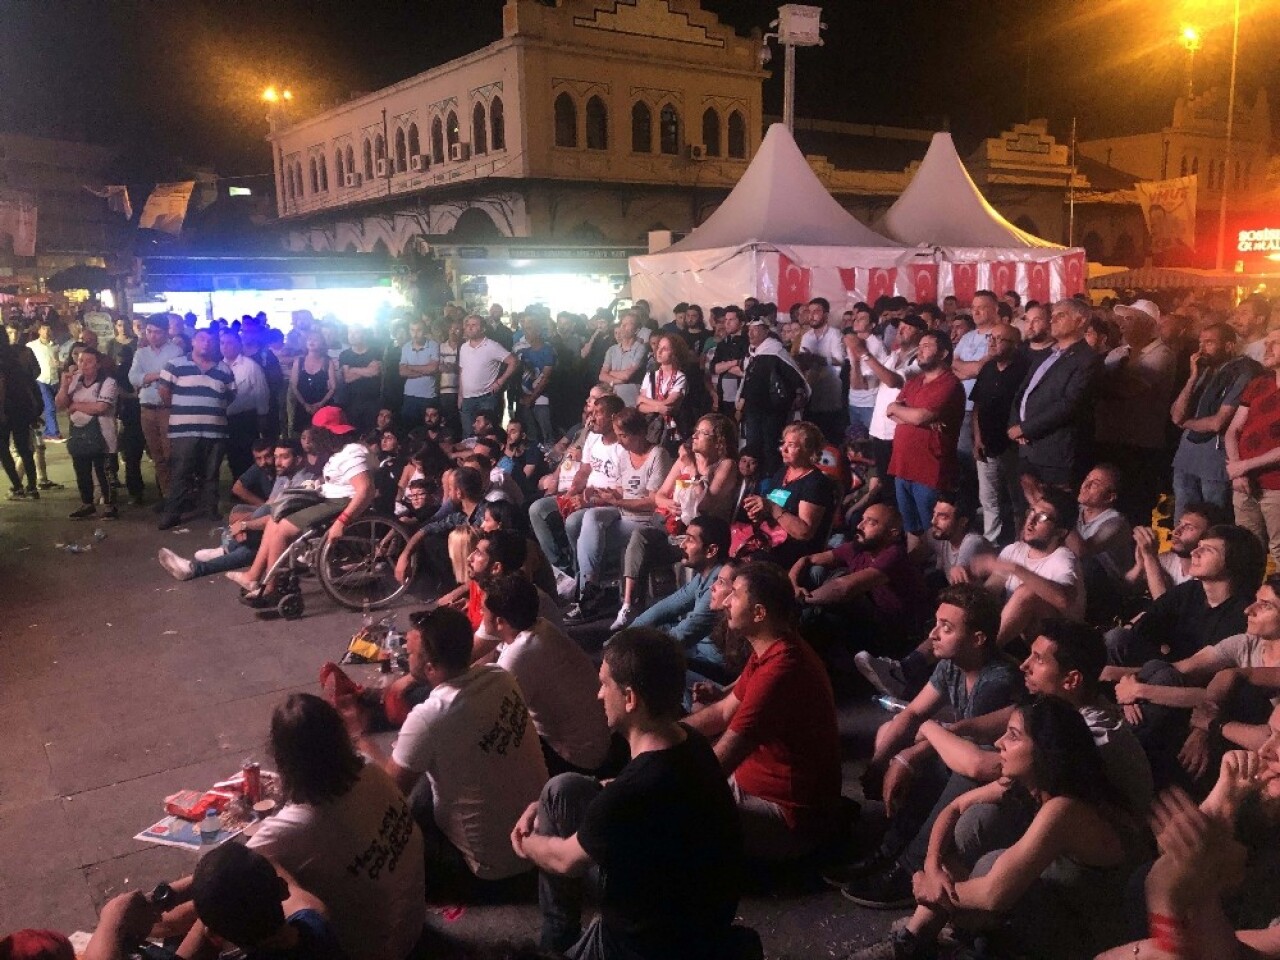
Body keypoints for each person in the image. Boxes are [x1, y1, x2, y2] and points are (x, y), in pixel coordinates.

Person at [510, 626, 746, 959]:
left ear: (631, 698)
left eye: (605, 684)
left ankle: (562, 947)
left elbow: (564, 861)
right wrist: (541, 806)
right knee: (560, 792)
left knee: (556, 842)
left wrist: (527, 842)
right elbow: (634, 792)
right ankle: (559, 943)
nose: (599, 694)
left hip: (647, 944)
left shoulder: (628, 796)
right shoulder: (689, 743)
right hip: (693, 909)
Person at [853, 698, 1139, 960]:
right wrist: (932, 866)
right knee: (974, 827)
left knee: (990, 869)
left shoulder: (1065, 808)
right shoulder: (1031, 782)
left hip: (1088, 938)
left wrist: (931, 891)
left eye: (1013, 736)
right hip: (1056, 902)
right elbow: (953, 809)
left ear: (1046, 750)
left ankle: (956, 944)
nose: (1000, 742)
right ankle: (912, 940)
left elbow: (993, 895)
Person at [832, 584, 1022, 908]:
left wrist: (906, 758)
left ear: (978, 639)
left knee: (939, 769)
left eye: (946, 627)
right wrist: (879, 763)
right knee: (901, 740)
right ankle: (888, 851)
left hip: (999, 775)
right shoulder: (951, 665)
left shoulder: (997, 681)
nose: (934, 634)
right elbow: (914, 712)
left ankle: (908, 869)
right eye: (936, 623)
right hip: (965, 753)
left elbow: (963, 745)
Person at [345, 607, 548, 887]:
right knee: (427, 773)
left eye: (411, 653)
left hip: (490, 867)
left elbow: (390, 793)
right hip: (538, 840)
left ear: (430, 668)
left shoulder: (429, 717)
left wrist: (359, 738)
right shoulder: (500, 677)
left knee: (376, 837)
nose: (406, 654)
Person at [244, 694, 425, 960]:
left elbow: (232, 873)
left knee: (245, 889)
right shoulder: (370, 770)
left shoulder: (297, 823)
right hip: (414, 923)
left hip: (374, 950)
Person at [684, 562, 843, 860]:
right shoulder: (771, 650)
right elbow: (721, 713)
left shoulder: (781, 668)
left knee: (663, 814)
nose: (726, 601)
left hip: (786, 816)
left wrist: (652, 773)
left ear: (759, 613)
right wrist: (663, 736)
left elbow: (723, 760)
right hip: (754, 788)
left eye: (736, 595)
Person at [229, 407, 373, 604]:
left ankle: (272, 588)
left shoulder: (352, 453)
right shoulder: (339, 452)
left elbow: (365, 490)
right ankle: (253, 576)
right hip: (328, 498)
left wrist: (342, 521)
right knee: (274, 519)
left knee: (282, 531)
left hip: (341, 504)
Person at [481, 574, 612, 776]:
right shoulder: (540, 627)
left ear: (500, 622)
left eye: (483, 612)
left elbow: (492, 718)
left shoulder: (521, 655)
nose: (480, 616)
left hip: (579, 758)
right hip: (598, 740)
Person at [158, 437, 316, 582]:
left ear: (298, 459)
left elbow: (278, 517)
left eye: (284, 457)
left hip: (289, 537)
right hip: (272, 527)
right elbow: (268, 503)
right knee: (245, 512)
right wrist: (245, 523)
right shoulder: (284, 476)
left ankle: (199, 566)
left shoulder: (304, 483)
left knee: (252, 549)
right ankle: (222, 551)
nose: (277, 462)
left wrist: (244, 526)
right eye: (276, 457)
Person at [566, 407, 671, 622]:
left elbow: (653, 501)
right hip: (624, 514)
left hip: (646, 520)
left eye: (624, 436)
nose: (620, 442)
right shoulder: (625, 455)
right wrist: (606, 494)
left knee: (592, 529)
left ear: (639, 433)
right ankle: (590, 586)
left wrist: (619, 501)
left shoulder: (657, 455)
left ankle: (590, 592)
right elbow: (624, 489)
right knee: (588, 519)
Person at [790, 502, 927, 655]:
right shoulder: (857, 547)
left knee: (837, 598)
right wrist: (792, 585)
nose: (860, 525)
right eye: (862, 519)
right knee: (816, 571)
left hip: (892, 632)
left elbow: (844, 588)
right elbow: (807, 560)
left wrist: (801, 600)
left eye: (871, 522)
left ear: (892, 533)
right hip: (866, 619)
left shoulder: (894, 554)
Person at [1007, 297, 1102, 489]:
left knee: (1053, 511)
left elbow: (1069, 404)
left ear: (1080, 321)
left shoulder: (1087, 360)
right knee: (1026, 512)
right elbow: (1023, 392)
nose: (1053, 320)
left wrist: (1026, 428)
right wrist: (1014, 423)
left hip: (1055, 454)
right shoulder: (1047, 354)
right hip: (1027, 448)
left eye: (1061, 315)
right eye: (1053, 315)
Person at [1171, 322, 1260, 519]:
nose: (1202, 349)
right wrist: (1192, 378)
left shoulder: (1243, 372)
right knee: (1183, 521)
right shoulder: (1205, 370)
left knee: (1213, 520)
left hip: (1214, 460)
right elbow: (1176, 413)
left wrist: (1185, 423)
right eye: (1200, 343)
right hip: (1186, 457)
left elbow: (1217, 423)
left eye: (1209, 343)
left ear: (1229, 346)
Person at [887, 330, 966, 551]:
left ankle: (942, 576)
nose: (920, 351)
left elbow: (921, 416)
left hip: (930, 468)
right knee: (912, 529)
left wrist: (913, 415)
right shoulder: (914, 382)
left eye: (927, 346)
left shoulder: (948, 384)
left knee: (935, 531)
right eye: (919, 346)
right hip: (903, 466)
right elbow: (891, 411)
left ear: (943, 353)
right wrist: (910, 414)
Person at [156, 329, 237, 530]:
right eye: (201, 338)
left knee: (211, 473)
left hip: (215, 431)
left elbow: (231, 395)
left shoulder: (224, 369)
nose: (206, 343)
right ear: (192, 341)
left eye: (211, 340)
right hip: (184, 431)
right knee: (180, 472)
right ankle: (173, 513)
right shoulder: (175, 365)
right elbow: (164, 392)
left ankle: (211, 509)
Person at [739, 421, 836, 570]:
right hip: (768, 541)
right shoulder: (782, 473)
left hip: (792, 553)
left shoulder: (815, 483)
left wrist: (771, 507)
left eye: (791, 445)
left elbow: (804, 532)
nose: (783, 449)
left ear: (808, 449)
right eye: (783, 443)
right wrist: (759, 513)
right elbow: (769, 510)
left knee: (744, 567)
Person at [632, 515, 730, 657]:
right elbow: (664, 608)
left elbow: (683, 635)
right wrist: (624, 638)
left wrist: (626, 651)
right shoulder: (703, 576)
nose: (682, 545)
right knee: (653, 628)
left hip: (707, 660)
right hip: (694, 648)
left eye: (690, 540)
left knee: (643, 657)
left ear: (711, 551)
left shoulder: (718, 584)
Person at [969, 322, 1029, 544]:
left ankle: (1020, 543)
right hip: (987, 444)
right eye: (990, 338)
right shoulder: (987, 368)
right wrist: (977, 438)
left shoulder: (1024, 371)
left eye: (999, 339)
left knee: (1019, 500)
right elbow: (977, 406)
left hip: (1014, 448)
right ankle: (990, 542)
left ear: (1014, 345)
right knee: (988, 499)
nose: (992, 343)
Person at [1226, 328, 1280, 567]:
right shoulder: (1259, 384)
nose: (1267, 348)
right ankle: (1249, 602)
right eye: (1266, 341)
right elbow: (1232, 430)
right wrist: (1238, 469)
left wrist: (1242, 466)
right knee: (1247, 549)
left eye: (1276, 343)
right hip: (1244, 481)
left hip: (1276, 485)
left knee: (1278, 548)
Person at [738, 316, 807, 477]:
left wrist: (797, 394)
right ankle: (754, 479)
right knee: (753, 446)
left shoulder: (776, 352)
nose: (751, 333)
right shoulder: (754, 354)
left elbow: (795, 378)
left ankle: (770, 479)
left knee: (770, 447)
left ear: (766, 331)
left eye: (756, 329)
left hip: (772, 411)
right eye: (749, 329)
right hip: (753, 410)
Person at [56, 347, 119, 521]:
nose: (83, 365)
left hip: (103, 434)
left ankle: (109, 505)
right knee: (81, 470)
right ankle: (87, 503)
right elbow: (60, 404)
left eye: (89, 361)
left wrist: (76, 406)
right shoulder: (75, 380)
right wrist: (64, 385)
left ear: (98, 364)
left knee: (104, 472)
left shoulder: (108, 382)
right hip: (80, 433)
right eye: (81, 360)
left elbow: (101, 407)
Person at [128, 316, 184, 502]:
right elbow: (133, 378)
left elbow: (174, 378)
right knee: (156, 455)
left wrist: (146, 379)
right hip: (147, 409)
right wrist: (157, 375)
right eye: (149, 331)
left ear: (166, 332)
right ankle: (167, 495)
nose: (152, 336)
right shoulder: (141, 354)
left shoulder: (176, 351)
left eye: (157, 332)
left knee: (171, 454)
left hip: (167, 409)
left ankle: (178, 493)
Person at [1124, 501, 1220, 601]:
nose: (1176, 531)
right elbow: (1125, 589)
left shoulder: (1207, 576)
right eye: (1179, 524)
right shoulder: (1168, 558)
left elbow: (1165, 606)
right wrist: (1139, 566)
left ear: (1207, 537)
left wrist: (1150, 557)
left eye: (1189, 527)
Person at [221, 329, 271, 483]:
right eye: (222, 343)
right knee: (231, 453)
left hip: (245, 418)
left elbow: (261, 392)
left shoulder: (250, 366)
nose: (225, 346)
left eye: (229, 343)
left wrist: (262, 415)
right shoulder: (218, 366)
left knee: (246, 454)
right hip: (224, 418)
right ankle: (237, 484)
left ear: (238, 344)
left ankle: (251, 485)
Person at [458, 313, 518, 430]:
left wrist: (500, 381)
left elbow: (513, 362)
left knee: (486, 433)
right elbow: (462, 371)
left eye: (474, 325)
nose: (470, 327)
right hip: (467, 399)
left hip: (486, 398)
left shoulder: (492, 346)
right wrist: (460, 395)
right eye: (468, 325)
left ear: (483, 328)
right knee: (468, 434)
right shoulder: (464, 347)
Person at [516, 314, 556, 444]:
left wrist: (531, 398)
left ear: (538, 330)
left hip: (541, 399)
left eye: (530, 328)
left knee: (546, 434)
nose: (526, 332)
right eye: (525, 328)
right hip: (526, 398)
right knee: (531, 435)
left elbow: (545, 377)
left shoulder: (547, 350)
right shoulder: (525, 352)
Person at [288, 331, 338, 434]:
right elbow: (294, 386)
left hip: (322, 405)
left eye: (316, 339)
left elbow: (333, 387)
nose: (312, 341)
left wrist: (320, 404)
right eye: (309, 338)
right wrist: (304, 404)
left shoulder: (327, 362)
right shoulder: (299, 361)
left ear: (322, 343)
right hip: (302, 405)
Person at [337, 326, 383, 434]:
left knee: (371, 433)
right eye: (350, 332)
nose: (352, 335)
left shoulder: (376, 352)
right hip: (351, 402)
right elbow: (347, 378)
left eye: (356, 332)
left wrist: (353, 369)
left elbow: (375, 372)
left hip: (372, 400)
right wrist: (367, 370)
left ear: (364, 334)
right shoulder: (344, 354)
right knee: (353, 433)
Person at [397, 317, 440, 429]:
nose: (415, 334)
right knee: (409, 429)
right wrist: (425, 370)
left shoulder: (433, 345)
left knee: (428, 429)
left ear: (424, 330)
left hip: (428, 395)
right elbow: (402, 371)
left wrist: (410, 367)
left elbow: (433, 369)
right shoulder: (406, 347)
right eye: (412, 330)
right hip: (409, 395)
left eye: (418, 330)